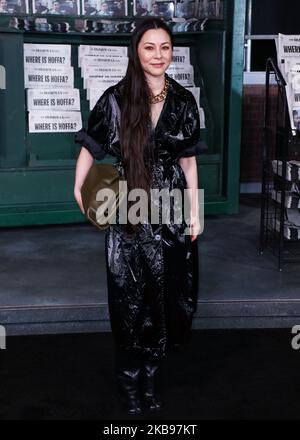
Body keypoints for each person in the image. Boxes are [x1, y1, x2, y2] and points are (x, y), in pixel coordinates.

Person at [74, 17, 207, 415]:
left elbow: (188, 164)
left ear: (172, 52)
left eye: (164, 47)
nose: (158, 55)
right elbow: (90, 147)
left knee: (165, 296)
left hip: (169, 207)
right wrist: (77, 188)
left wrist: (195, 213)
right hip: (127, 208)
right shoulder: (115, 98)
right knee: (128, 298)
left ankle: (151, 379)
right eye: (149, 47)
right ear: (136, 51)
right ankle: (129, 383)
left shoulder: (183, 101)